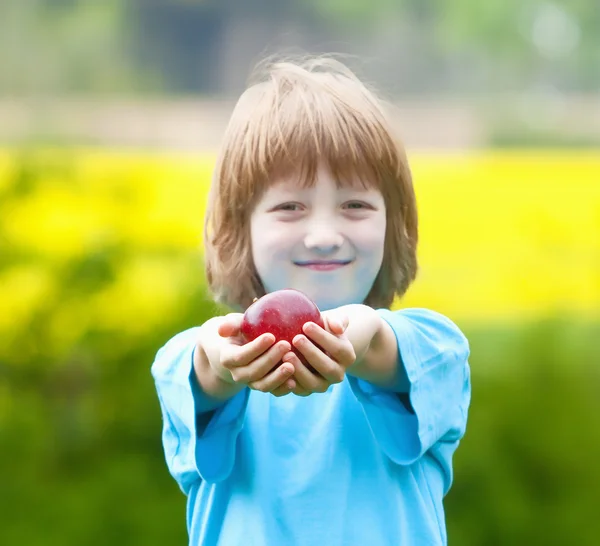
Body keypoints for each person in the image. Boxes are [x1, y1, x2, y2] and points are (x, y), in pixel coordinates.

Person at [151, 54, 471, 546]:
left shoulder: (434, 348)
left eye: (355, 205)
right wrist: (224, 358)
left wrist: (361, 336)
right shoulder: (188, 361)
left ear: (393, 224)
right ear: (242, 229)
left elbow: (386, 348)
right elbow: (204, 372)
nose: (323, 235)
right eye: (289, 207)